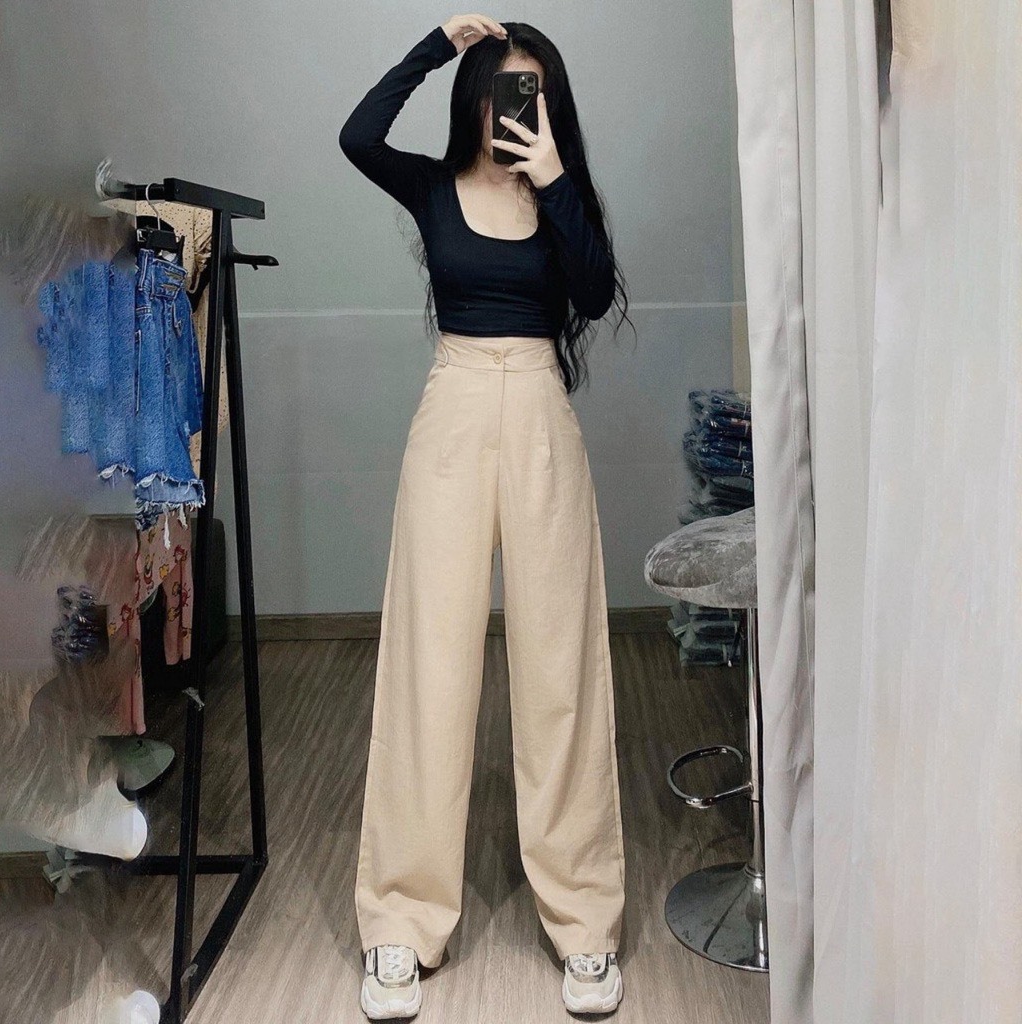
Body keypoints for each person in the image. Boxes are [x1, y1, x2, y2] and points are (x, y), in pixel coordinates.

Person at [339, 13, 630, 1019]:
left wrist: (552, 177)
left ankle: (584, 924)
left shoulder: (560, 189)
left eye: (535, 88)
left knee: (559, 669)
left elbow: (593, 292)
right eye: (507, 87)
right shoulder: (430, 188)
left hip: (541, 408)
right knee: (430, 663)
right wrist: (434, 46)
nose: (520, 104)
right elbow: (357, 136)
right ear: (476, 97)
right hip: (455, 408)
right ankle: (399, 921)